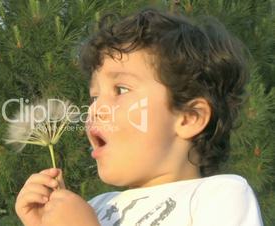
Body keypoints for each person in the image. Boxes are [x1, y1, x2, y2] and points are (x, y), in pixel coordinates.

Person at [14, 8, 263, 226]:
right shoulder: (97, 206)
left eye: (120, 90)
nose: (95, 109)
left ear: (189, 117)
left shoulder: (219, 196)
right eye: (94, 97)